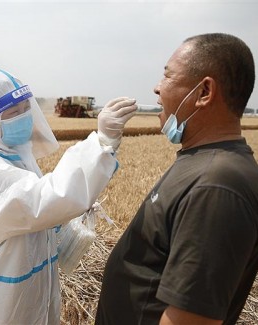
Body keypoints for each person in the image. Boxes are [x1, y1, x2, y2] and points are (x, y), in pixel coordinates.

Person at [96, 33, 258, 325]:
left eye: (168, 76)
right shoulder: (201, 161)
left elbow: (190, 318)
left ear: (204, 92)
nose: (157, 88)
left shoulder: (217, 185)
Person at [0, 66, 136, 324]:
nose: (23, 116)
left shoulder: (18, 157)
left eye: (24, 108)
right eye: (12, 112)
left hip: (34, 291)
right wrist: (100, 143)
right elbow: (42, 200)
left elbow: (42, 211)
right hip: (4, 305)